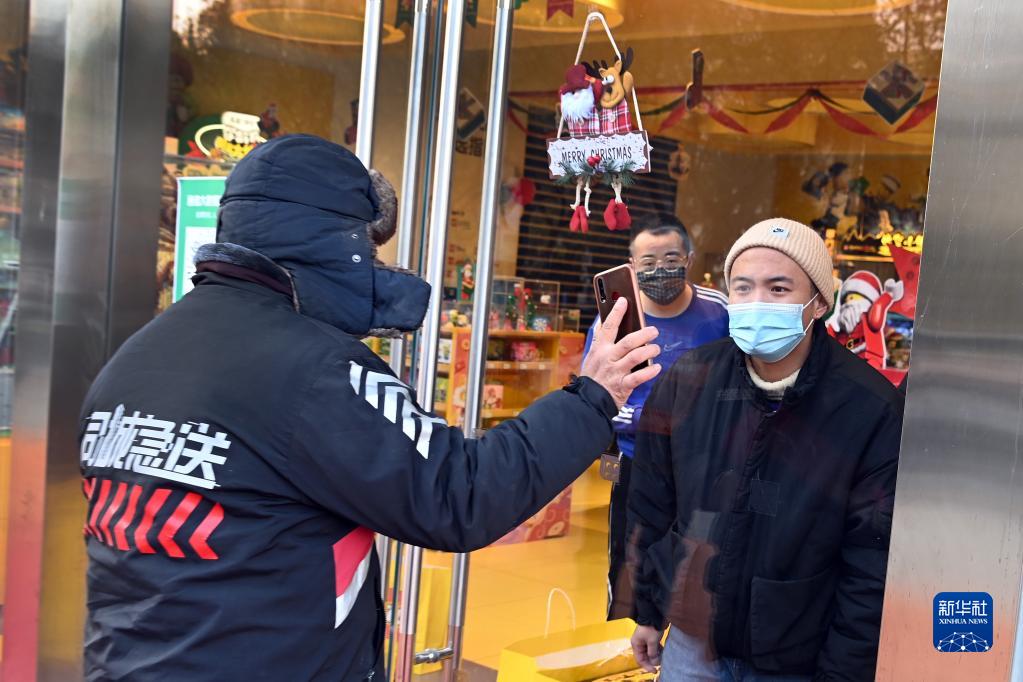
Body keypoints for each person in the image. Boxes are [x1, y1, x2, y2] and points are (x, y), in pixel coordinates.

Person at [78, 135, 662, 681]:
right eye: (366, 242)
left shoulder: (133, 358)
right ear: (328, 240)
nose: (374, 261)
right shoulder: (316, 369)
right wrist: (593, 396)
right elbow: (460, 494)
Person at [628, 218, 904, 681]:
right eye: (743, 287)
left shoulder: (867, 406)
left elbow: (871, 559)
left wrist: (844, 671)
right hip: (693, 641)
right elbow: (653, 501)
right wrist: (647, 609)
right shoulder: (690, 380)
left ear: (818, 302)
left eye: (778, 289)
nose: (757, 302)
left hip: (799, 653)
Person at [582, 213, 729, 619]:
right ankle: (626, 631)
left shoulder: (720, 312)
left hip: (702, 462)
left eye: (671, 259)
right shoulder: (614, 319)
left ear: (689, 259)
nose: (660, 270)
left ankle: (684, 634)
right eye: (648, 262)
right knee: (628, 555)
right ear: (632, 266)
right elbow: (593, 390)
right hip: (634, 460)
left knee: (698, 556)